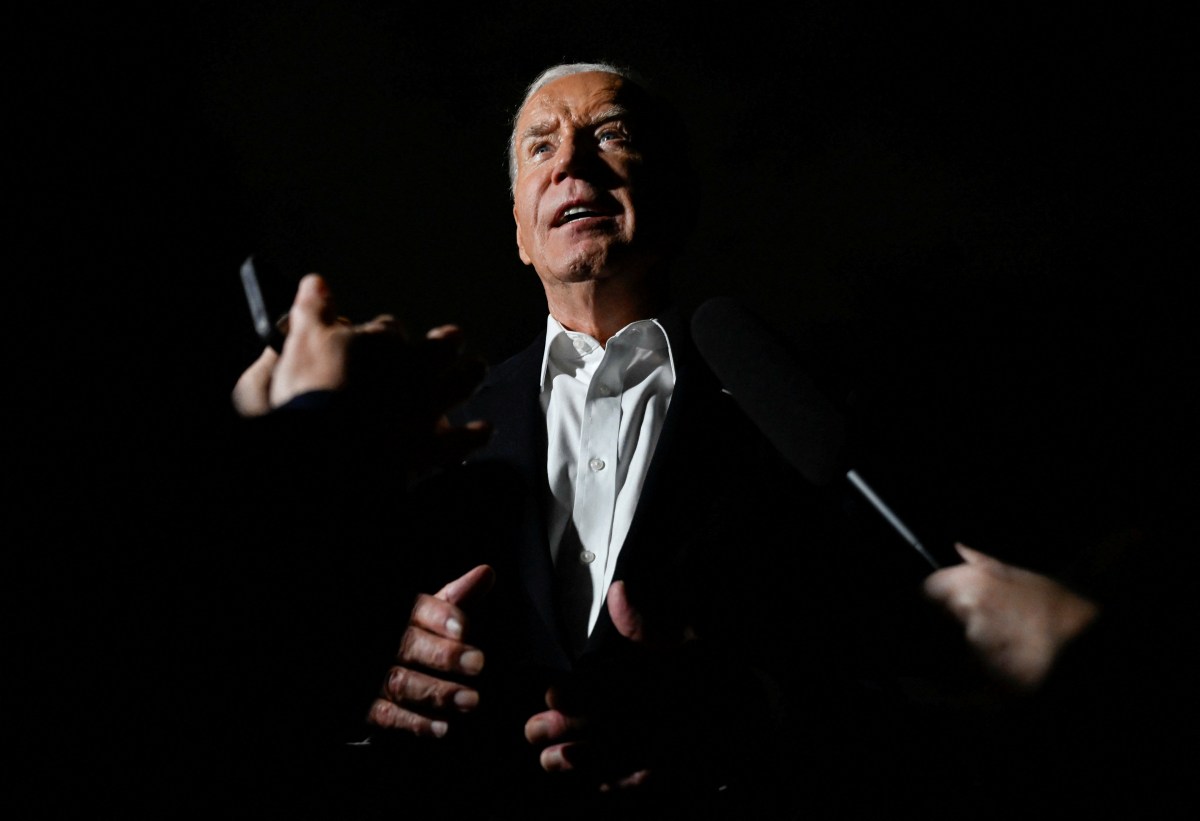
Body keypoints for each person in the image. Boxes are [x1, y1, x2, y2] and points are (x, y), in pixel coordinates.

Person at [228, 62, 867, 818]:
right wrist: (371, 671)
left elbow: (875, 667)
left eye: (611, 135)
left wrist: (737, 727)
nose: (570, 161)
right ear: (521, 234)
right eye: (541, 147)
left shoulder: (796, 410)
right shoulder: (428, 428)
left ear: (677, 199)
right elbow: (281, 653)